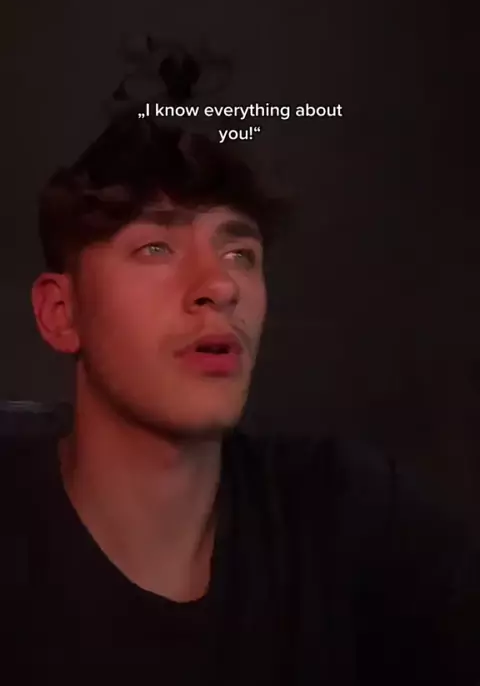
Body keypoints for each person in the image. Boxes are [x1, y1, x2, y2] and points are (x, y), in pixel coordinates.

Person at [0, 112, 477, 683]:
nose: (222, 286)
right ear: (60, 313)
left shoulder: (352, 517)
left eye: (239, 255)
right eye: (156, 247)